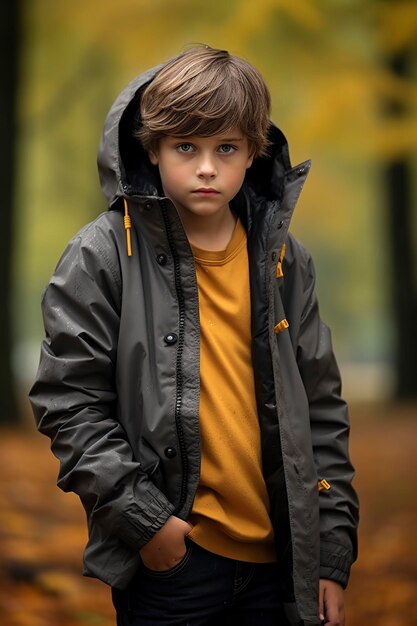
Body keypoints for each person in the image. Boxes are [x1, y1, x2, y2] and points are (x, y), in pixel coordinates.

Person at [29, 46, 359, 626]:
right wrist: (152, 529)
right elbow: (68, 402)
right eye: (187, 147)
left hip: (282, 564)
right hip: (173, 566)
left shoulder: (283, 259)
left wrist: (331, 549)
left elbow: (322, 405)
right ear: (151, 149)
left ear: (253, 152)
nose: (207, 166)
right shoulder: (101, 254)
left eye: (225, 148)